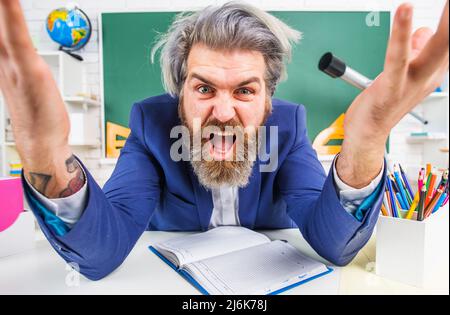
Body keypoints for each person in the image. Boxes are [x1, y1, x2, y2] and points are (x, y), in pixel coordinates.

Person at [0, 0, 448, 280]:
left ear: (269, 100)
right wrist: (44, 154)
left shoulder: (288, 125)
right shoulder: (150, 123)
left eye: (245, 91)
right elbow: (100, 253)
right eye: (203, 89)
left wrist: (366, 141)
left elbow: (334, 244)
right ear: (179, 96)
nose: (223, 112)